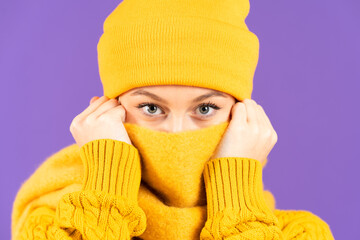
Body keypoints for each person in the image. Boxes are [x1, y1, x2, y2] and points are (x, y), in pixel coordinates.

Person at [11, 0, 335, 239]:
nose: (177, 134)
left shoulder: (297, 233)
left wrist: (238, 201)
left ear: (242, 116)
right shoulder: (50, 224)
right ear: (108, 111)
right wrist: (108, 182)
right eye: (151, 108)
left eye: (205, 109)